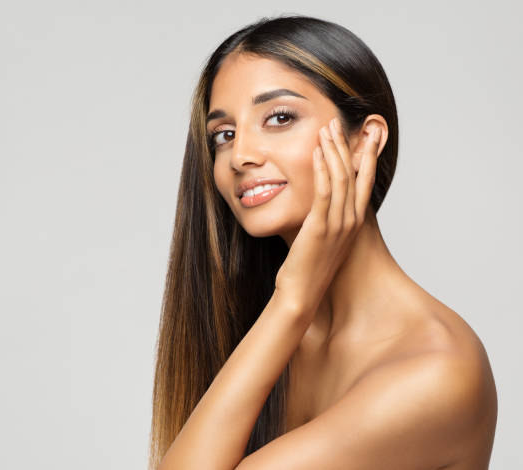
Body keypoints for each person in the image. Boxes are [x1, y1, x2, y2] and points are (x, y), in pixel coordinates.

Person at [149, 15, 497, 470]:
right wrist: (290, 307)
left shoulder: (437, 371)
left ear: (363, 140)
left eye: (279, 117)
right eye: (224, 134)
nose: (241, 155)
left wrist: (293, 300)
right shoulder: (269, 327)